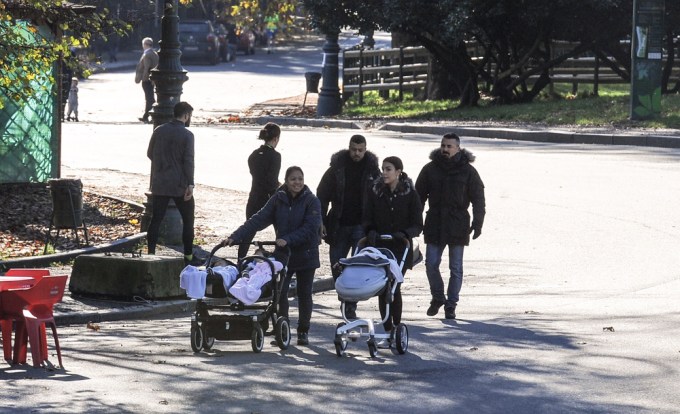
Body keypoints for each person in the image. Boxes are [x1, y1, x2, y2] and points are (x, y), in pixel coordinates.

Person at [224, 166, 321, 346]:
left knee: (304, 293)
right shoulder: (278, 199)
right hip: (284, 255)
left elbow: (311, 228)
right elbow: (258, 219)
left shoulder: (311, 201)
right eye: (293, 179)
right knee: (279, 293)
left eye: (300, 178)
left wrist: (288, 239)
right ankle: (281, 329)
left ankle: (303, 331)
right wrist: (235, 237)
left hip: (306, 253)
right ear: (285, 181)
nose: (297, 182)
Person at [415, 133, 486, 320]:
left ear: (458, 148)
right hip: (435, 222)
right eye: (443, 146)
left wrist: (478, 222)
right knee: (431, 264)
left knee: (456, 268)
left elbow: (478, 198)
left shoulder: (468, 171)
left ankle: (451, 304)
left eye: (449, 146)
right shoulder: (430, 169)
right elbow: (418, 197)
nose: (445, 149)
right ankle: (438, 297)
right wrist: (414, 221)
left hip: (458, 223)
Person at [317, 134, 380, 319]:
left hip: (362, 226)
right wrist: (320, 221)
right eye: (354, 149)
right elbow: (322, 195)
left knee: (357, 267)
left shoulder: (372, 171)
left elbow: (378, 199)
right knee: (337, 265)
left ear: (365, 149)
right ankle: (345, 298)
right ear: (348, 148)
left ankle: (350, 304)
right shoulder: (336, 168)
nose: (357, 153)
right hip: (338, 225)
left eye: (360, 150)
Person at [363, 156, 423, 348]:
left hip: (399, 246)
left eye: (388, 169)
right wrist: (370, 231)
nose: (385, 173)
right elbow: (366, 217)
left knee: (393, 285)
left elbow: (417, 224)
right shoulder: (375, 192)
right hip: (379, 246)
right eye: (383, 169)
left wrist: (405, 233)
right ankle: (388, 328)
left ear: (398, 171)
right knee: (383, 287)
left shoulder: (410, 194)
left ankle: (396, 325)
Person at [146, 102, 198, 266]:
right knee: (188, 220)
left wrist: (162, 166)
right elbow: (188, 161)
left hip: (160, 183)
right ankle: (188, 256)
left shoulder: (159, 130)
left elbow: (149, 153)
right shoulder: (187, 135)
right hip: (179, 186)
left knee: (156, 220)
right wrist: (190, 184)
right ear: (186, 115)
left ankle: (150, 253)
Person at [238, 122, 282, 258]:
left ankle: (240, 260)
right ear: (276, 138)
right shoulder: (275, 156)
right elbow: (272, 181)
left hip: (254, 197)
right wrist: (281, 187)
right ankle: (281, 259)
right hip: (269, 199)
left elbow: (256, 175)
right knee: (280, 230)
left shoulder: (254, 155)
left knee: (248, 231)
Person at [135, 37, 159, 124]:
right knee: (150, 98)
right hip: (152, 79)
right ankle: (147, 116)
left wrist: (144, 79)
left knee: (149, 99)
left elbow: (146, 68)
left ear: (145, 45)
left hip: (147, 80)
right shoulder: (154, 53)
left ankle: (148, 116)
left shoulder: (147, 54)